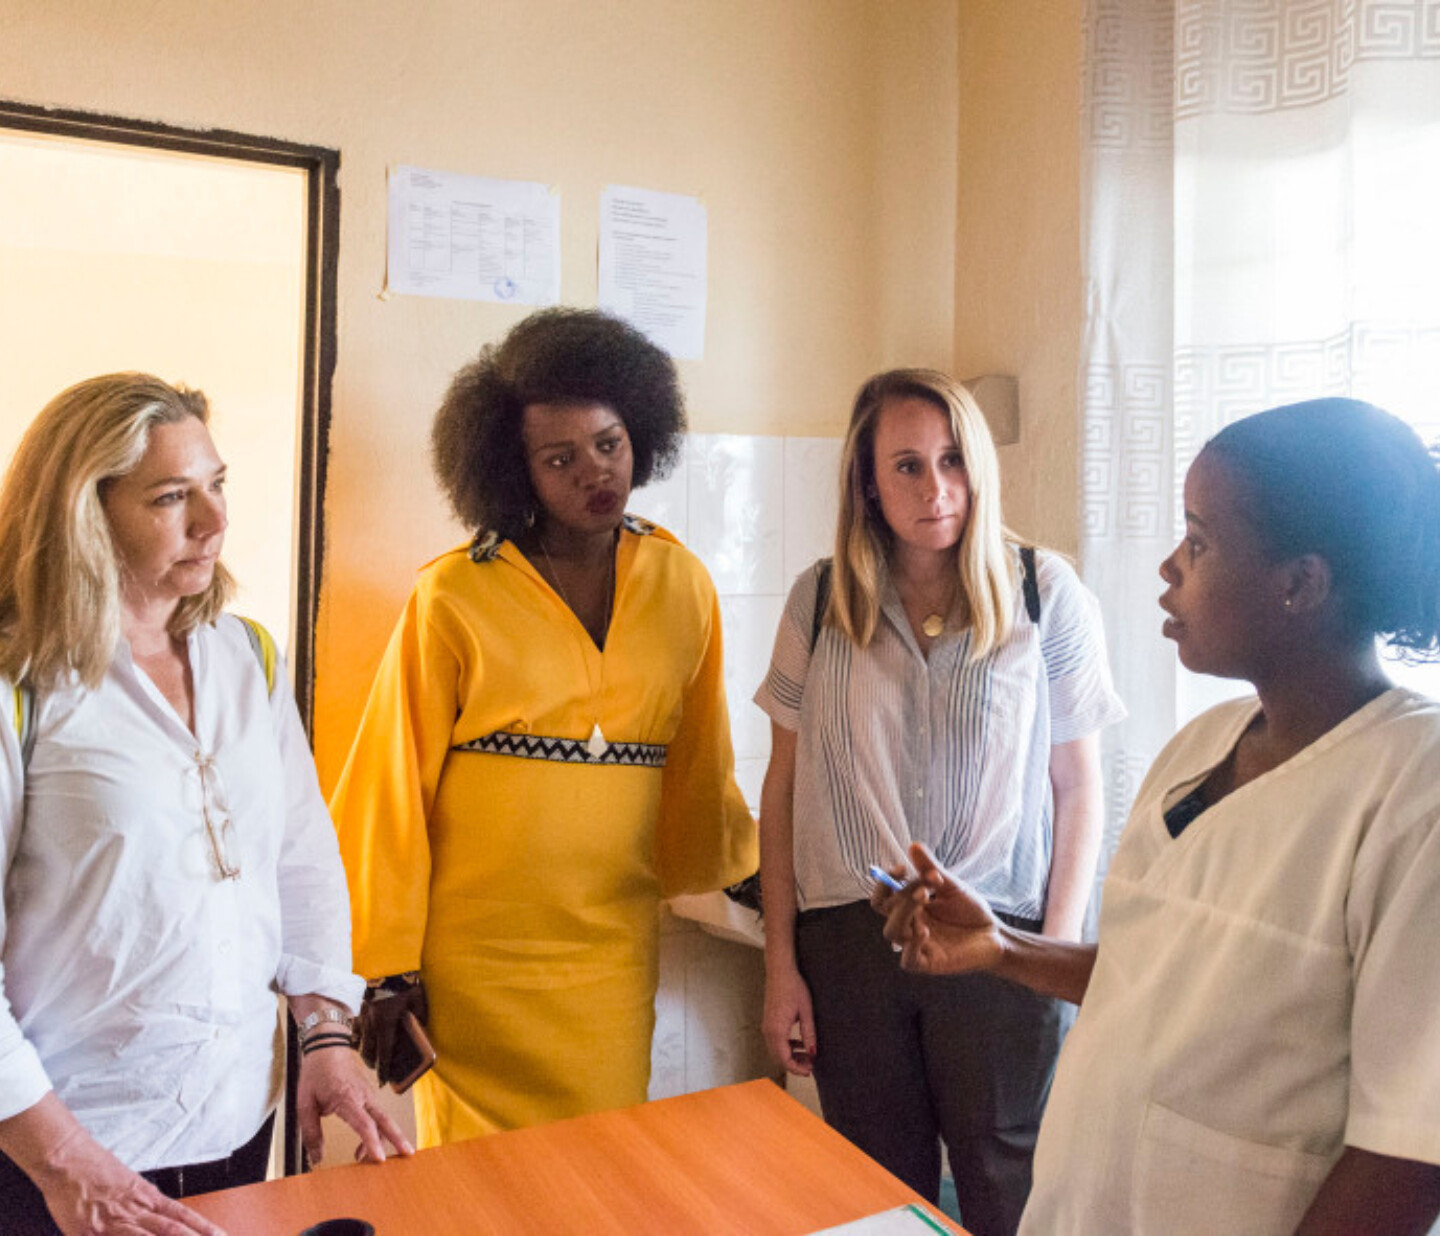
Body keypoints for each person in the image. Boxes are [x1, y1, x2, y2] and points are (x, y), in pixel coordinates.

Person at [876, 397, 1440, 1235]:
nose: (1170, 567)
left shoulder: (1412, 790)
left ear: (1299, 583)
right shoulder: (1200, 749)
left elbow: (1406, 1154)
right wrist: (1005, 946)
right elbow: (1166, 974)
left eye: (1201, 542)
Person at [330, 308, 757, 1147]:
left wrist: (749, 871)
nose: (594, 472)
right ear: (514, 471)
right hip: (475, 963)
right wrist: (386, 967)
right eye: (559, 459)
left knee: (602, 1163)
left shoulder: (683, 583)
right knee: (482, 1188)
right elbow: (391, 784)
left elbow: (703, 760)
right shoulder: (454, 593)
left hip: (608, 948)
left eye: (609, 444)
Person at [0, 374, 411, 1236]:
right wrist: (66, 1164)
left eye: (216, 485)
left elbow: (297, 861)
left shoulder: (245, 657)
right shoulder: (22, 682)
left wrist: (325, 1033)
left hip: (231, 1118)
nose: (213, 522)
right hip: (58, 1148)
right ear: (85, 508)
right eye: (170, 497)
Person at [753, 368, 1125, 1234]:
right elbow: (782, 790)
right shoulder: (818, 600)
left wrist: (1050, 955)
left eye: (954, 460)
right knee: (875, 1189)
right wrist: (781, 967)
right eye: (909, 465)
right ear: (867, 481)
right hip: (850, 935)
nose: (937, 488)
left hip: (1000, 933)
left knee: (1012, 1181)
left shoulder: (1044, 593)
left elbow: (1079, 788)